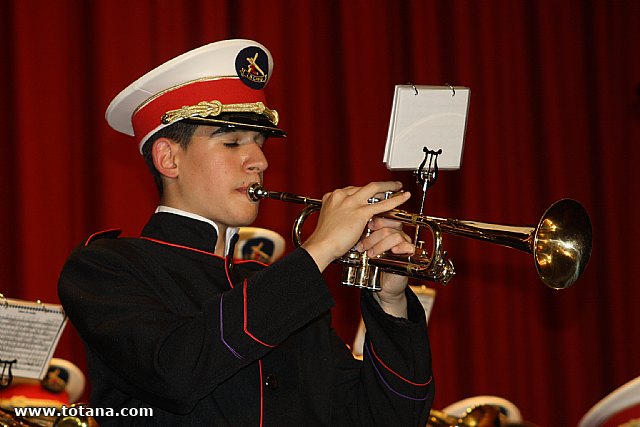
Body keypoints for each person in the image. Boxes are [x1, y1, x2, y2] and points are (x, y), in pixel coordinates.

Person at [58, 39, 434, 426]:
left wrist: (390, 303)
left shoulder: (274, 287)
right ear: (168, 158)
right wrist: (320, 249)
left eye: (259, 143)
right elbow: (175, 371)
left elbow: (388, 419)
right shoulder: (106, 266)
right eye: (233, 141)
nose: (260, 161)